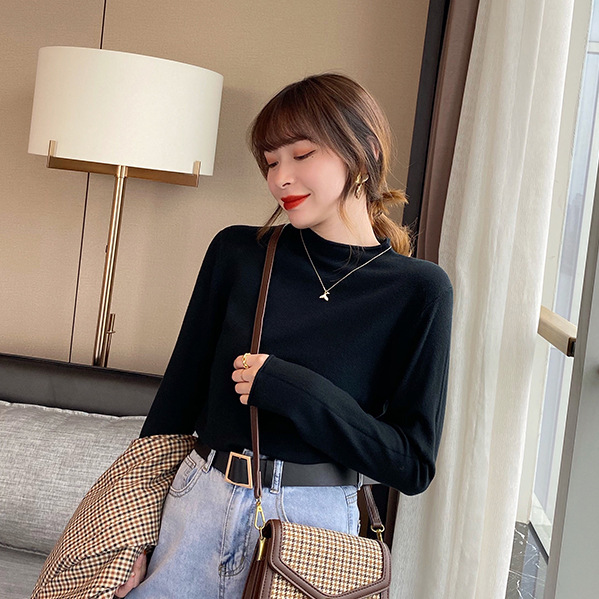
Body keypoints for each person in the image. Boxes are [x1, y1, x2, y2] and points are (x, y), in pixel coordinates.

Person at [119, 73, 453, 598]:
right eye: (271, 161)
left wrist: (295, 392)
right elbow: (172, 408)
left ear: (363, 152)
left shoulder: (418, 291)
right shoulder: (238, 253)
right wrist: (131, 537)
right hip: (198, 508)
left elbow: (410, 464)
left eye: (301, 155)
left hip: (312, 531)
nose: (280, 178)